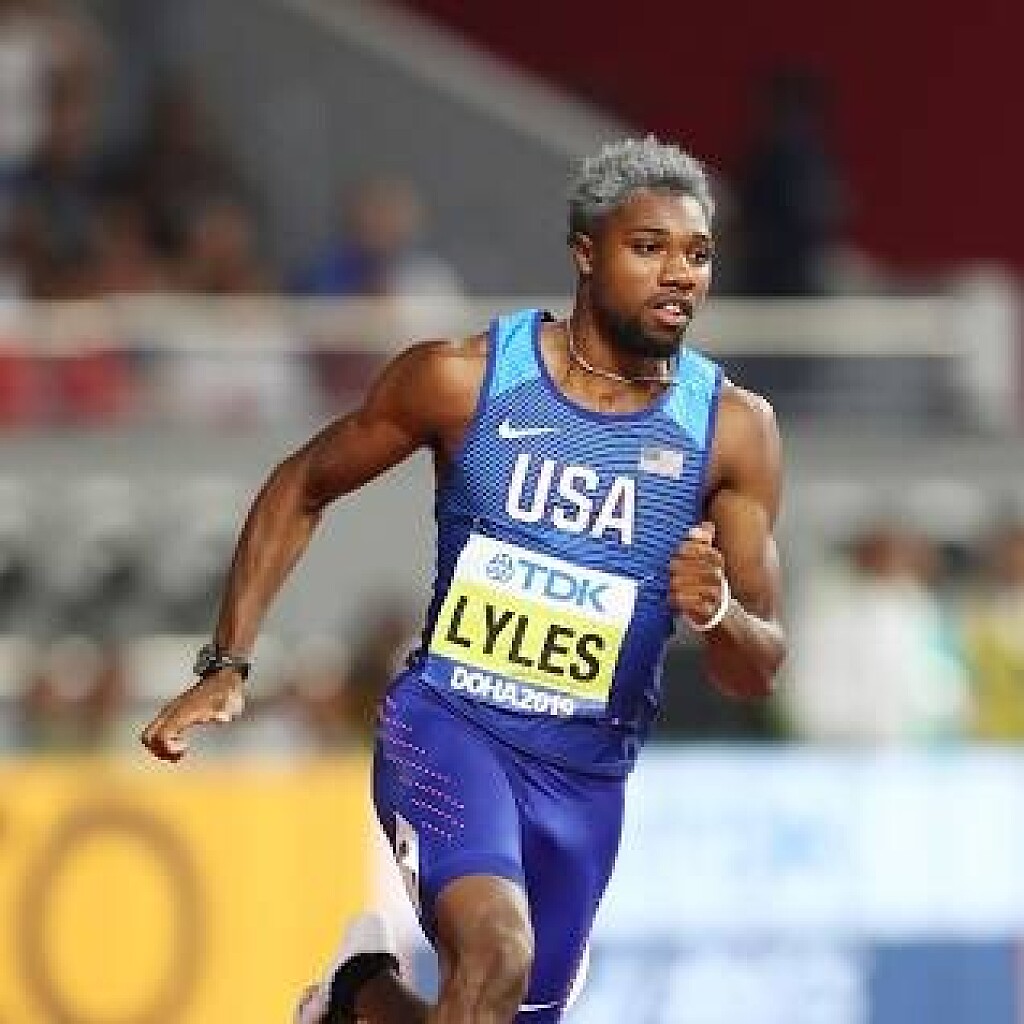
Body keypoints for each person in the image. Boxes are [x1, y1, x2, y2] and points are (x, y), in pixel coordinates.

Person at [141, 136, 787, 1024]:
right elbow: (303, 483)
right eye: (649, 248)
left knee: (494, 1006)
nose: (679, 273)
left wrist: (718, 614)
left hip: (587, 779)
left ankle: (360, 998)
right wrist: (227, 662)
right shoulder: (464, 380)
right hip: (451, 727)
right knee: (496, 953)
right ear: (586, 252)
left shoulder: (732, 432)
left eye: (698, 254)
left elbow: (757, 667)